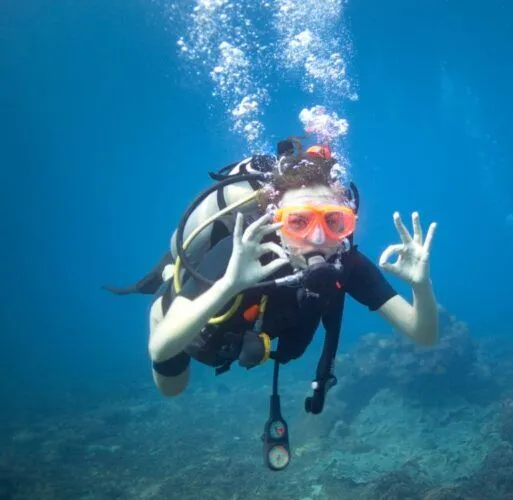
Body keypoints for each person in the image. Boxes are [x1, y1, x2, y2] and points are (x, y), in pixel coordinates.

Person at [104, 137, 440, 470]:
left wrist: (421, 286)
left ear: (347, 224)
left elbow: (423, 335)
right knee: (173, 388)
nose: (318, 238)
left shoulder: (347, 262)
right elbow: (161, 348)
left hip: (254, 335)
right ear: (277, 223)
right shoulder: (241, 253)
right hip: (197, 325)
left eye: (334, 221)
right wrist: (229, 284)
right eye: (299, 221)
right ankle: (167, 292)